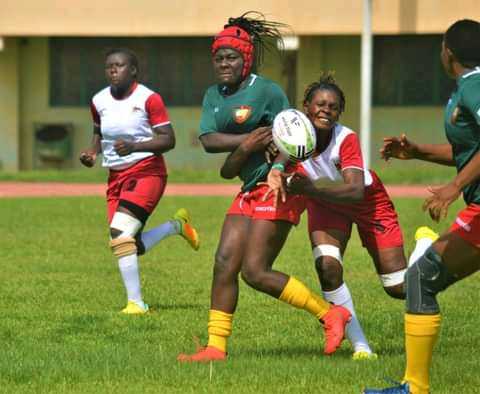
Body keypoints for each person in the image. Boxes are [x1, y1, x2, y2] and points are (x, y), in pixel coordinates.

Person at [177, 12, 351, 363]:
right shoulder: (213, 94)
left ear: (247, 58)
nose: (224, 64)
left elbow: (296, 137)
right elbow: (209, 140)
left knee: (254, 271)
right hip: (249, 186)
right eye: (218, 58)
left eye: (231, 58)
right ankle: (216, 347)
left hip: (280, 184)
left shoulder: (267, 91)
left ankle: (330, 314)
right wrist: (247, 144)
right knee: (224, 262)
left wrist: (274, 167)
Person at [264, 73, 438, 360]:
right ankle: (361, 347)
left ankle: (424, 247)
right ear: (306, 107)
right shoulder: (296, 134)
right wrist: (277, 169)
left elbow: (356, 190)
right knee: (327, 267)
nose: (326, 110)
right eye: (319, 104)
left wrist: (309, 188)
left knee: (398, 288)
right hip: (325, 203)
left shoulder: (346, 138)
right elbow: (286, 153)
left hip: (367, 203)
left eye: (333, 106)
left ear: (340, 111)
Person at [363, 19, 480, 394]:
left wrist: (453, 188)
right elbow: (468, 150)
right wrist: (417, 152)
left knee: (420, 277)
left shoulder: (475, 86)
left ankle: (415, 387)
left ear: (448, 52)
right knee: (420, 278)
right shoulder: (467, 87)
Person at [79, 47, 199, 315]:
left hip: (147, 171)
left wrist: (135, 146)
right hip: (116, 177)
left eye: (119, 65)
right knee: (129, 245)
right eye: (109, 66)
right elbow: (98, 132)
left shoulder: (149, 99)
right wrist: (92, 152)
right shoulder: (98, 100)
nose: (113, 70)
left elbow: (168, 140)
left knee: (120, 235)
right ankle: (176, 227)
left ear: (133, 70)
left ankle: (136, 304)